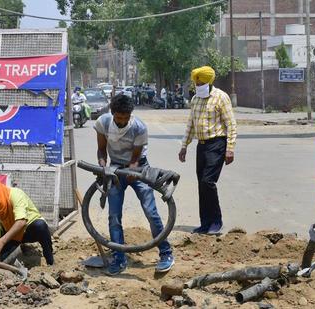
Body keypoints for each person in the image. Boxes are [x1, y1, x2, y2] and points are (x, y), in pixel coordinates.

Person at [94, 94, 174, 275]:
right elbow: (101, 148)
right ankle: (119, 257)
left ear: (131, 114)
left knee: (150, 211)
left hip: (138, 168)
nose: (122, 121)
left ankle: (166, 253)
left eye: (126, 117)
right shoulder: (103, 123)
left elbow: (136, 156)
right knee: (114, 216)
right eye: (118, 117)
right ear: (112, 113)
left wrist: (132, 170)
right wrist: (102, 167)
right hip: (114, 170)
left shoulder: (139, 128)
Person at [178, 66, 237, 235]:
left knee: (208, 182)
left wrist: (230, 149)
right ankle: (205, 223)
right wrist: (184, 146)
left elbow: (231, 124)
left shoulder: (221, 97)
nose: (198, 85)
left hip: (217, 144)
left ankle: (216, 222)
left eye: (201, 82)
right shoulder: (195, 99)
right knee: (201, 185)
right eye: (196, 82)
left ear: (209, 81)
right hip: (201, 146)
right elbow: (191, 124)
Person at [0, 180, 54, 265]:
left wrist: (2, 242)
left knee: (40, 226)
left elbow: (21, 221)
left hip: (28, 231)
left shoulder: (15, 194)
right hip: (12, 234)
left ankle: (50, 261)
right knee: (2, 260)